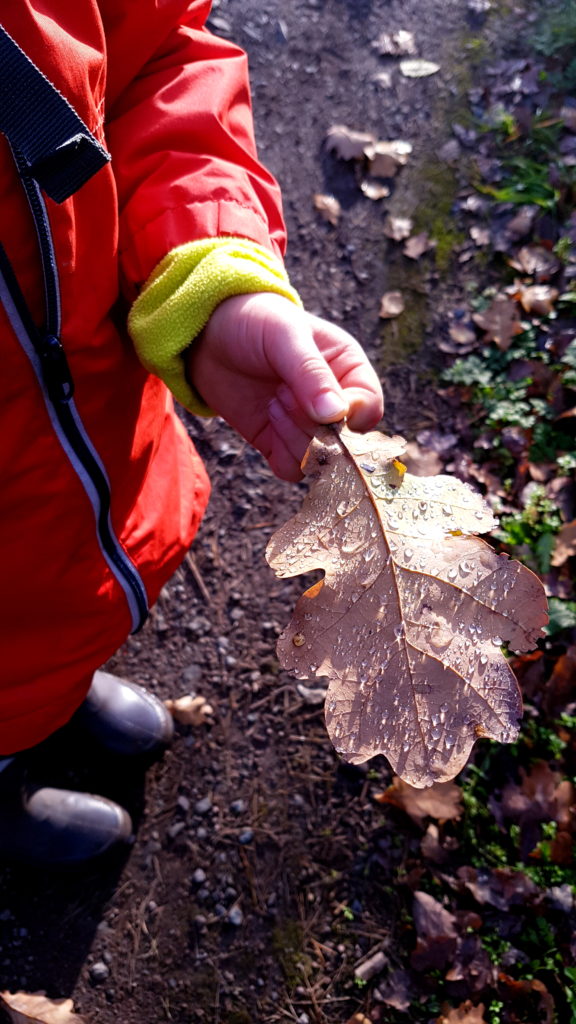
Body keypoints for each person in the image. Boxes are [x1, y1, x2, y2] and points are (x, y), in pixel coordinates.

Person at [0, 1, 383, 864]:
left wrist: (207, 281)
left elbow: (157, 53)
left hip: (93, 469)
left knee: (56, 644)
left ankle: (50, 699)